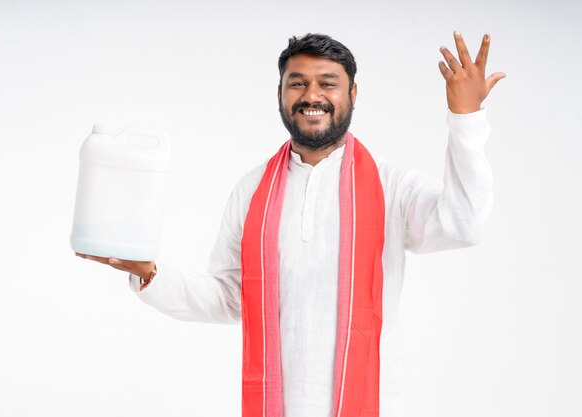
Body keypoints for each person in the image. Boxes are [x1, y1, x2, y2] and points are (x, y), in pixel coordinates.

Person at [76, 31, 505, 417]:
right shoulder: (252, 189)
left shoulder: (390, 184)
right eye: (297, 82)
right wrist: (150, 274)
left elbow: (462, 224)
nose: (311, 94)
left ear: (353, 94)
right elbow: (229, 297)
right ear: (280, 94)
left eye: (327, 83)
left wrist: (466, 120)